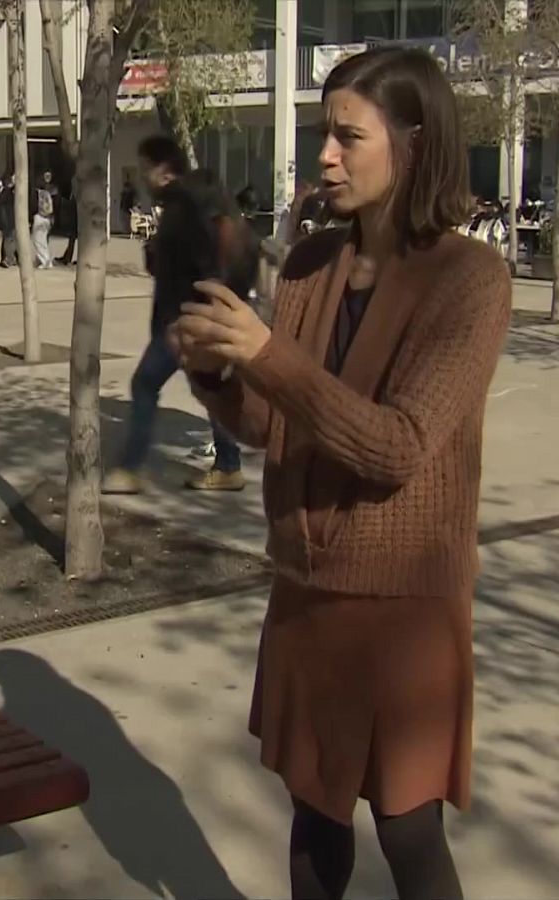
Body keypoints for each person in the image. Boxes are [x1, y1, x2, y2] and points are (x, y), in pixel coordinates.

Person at [173, 47, 510, 900]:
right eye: (326, 134)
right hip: (306, 588)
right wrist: (216, 371)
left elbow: (398, 446)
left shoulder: (471, 280)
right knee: (315, 818)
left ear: (414, 142)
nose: (325, 154)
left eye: (347, 136)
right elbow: (271, 425)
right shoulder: (310, 264)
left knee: (408, 830)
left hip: (404, 609)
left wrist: (269, 356)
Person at [102, 135, 257, 495]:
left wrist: (186, 317)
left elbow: (202, 263)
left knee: (146, 384)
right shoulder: (183, 204)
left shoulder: (183, 206)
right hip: (189, 318)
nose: (142, 177)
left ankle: (131, 468)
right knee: (209, 386)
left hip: (183, 320)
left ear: (163, 169)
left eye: (144, 169)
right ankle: (228, 464)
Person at [32, 172, 56, 268]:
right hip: (48, 218)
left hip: (39, 217)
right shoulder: (49, 193)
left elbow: (33, 206)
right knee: (43, 241)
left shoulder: (38, 194)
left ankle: (44, 260)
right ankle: (44, 260)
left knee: (37, 241)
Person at [0, 174, 18, 267]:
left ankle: (11, 258)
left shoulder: (7, 192)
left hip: (11, 220)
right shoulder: (8, 192)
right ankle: (8, 259)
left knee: (12, 239)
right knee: (9, 239)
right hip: (9, 220)